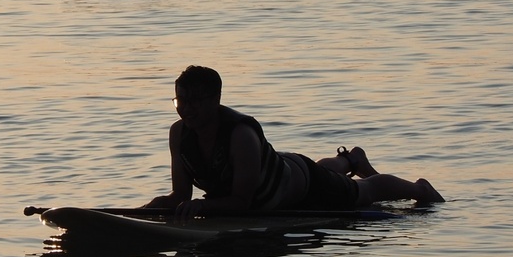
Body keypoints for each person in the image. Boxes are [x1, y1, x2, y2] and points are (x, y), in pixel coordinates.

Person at [145, 65, 444, 218]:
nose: (186, 109)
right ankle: (350, 160)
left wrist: (201, 208)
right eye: (180, 101)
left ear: (216, 100)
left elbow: (241, 202)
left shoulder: (240, 135)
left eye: (195, 101)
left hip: (301, 186)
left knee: (363, 191)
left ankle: (420, 188)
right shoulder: (179, 133)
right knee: (323, 170)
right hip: (284, 170)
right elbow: (179, 195)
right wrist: (147, 210)